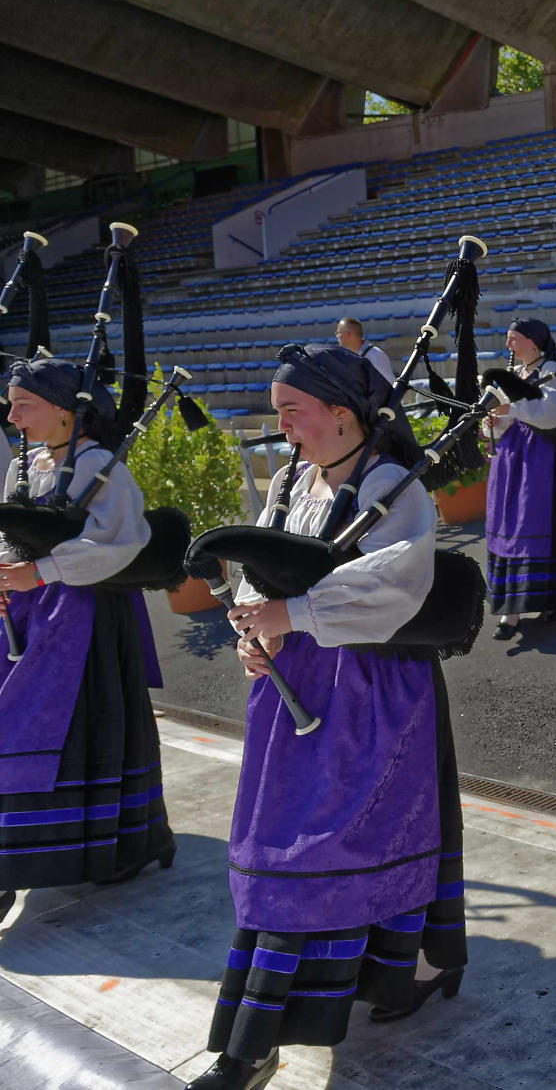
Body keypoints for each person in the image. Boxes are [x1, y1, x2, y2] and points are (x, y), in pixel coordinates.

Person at [189, 345, 466, 1090]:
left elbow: (398, 583)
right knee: (283, 848)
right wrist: (255, 629)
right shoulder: (290, 481)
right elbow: (262, 570)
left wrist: (294, 614)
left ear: (342, 413)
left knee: (332, 848)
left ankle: (392, 980)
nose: (281, 427)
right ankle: (259, 1038)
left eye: (292, 411)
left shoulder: (389, 486)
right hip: (293, 691)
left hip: (372, 692)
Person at [0, 358, 174, 924]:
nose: (11, 416)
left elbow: (122, 540)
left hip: (87, 618)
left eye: (22, 405)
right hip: (29, 614)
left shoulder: (99, 465)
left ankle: (120, 846)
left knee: (89, 724)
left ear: (62, 411)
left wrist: (41, 572)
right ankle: (20, 852)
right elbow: (9, 536)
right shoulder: (25, 464)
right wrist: (4, 577)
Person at [482, 319, 556, 642]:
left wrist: (512, 408)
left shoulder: (552, 370)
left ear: (533, 342)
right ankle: (512, 606)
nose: (508, 345)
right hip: (512, 460)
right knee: (510, 525)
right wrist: (494, 421)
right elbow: (505, 419)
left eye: (514, 339)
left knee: (534, 524)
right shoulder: (517, 374)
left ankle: (542, 602)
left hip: (541, 459)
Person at [334, 317, 395, 386]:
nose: (337, 336)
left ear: (347, 334)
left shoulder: (375, 355)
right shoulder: (347, 357)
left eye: (338, 332)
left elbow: (390, 385)